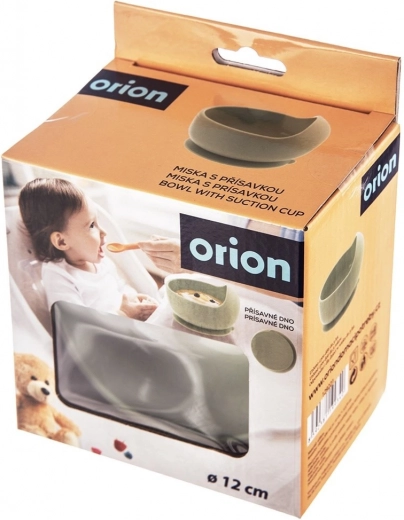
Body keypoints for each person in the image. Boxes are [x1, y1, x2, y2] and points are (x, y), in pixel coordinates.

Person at [18, 178, 158, 321]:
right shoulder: (59, 276)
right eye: (92, 225)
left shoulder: (102, 262)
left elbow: (121, 288)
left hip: (128, 325)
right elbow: (74, 324)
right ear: (62, 241)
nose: (103, 232)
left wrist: (136, 300)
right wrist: (123, 314)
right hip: (106, 333)